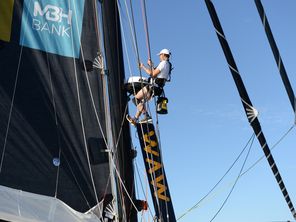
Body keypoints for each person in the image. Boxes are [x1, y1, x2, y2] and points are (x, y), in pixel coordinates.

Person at [126, 48, 172, 125]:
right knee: (141, 102)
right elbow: (159, 73)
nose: (159, 57)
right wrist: (151, 65)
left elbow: (153, 74)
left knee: (136, 99)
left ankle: (146, 116)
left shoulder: (163, 63)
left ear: (163, 55)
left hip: (152, 87)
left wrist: (143, 66)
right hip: (158, 88)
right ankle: (135, 118)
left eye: (160, 55)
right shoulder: (168, 64)